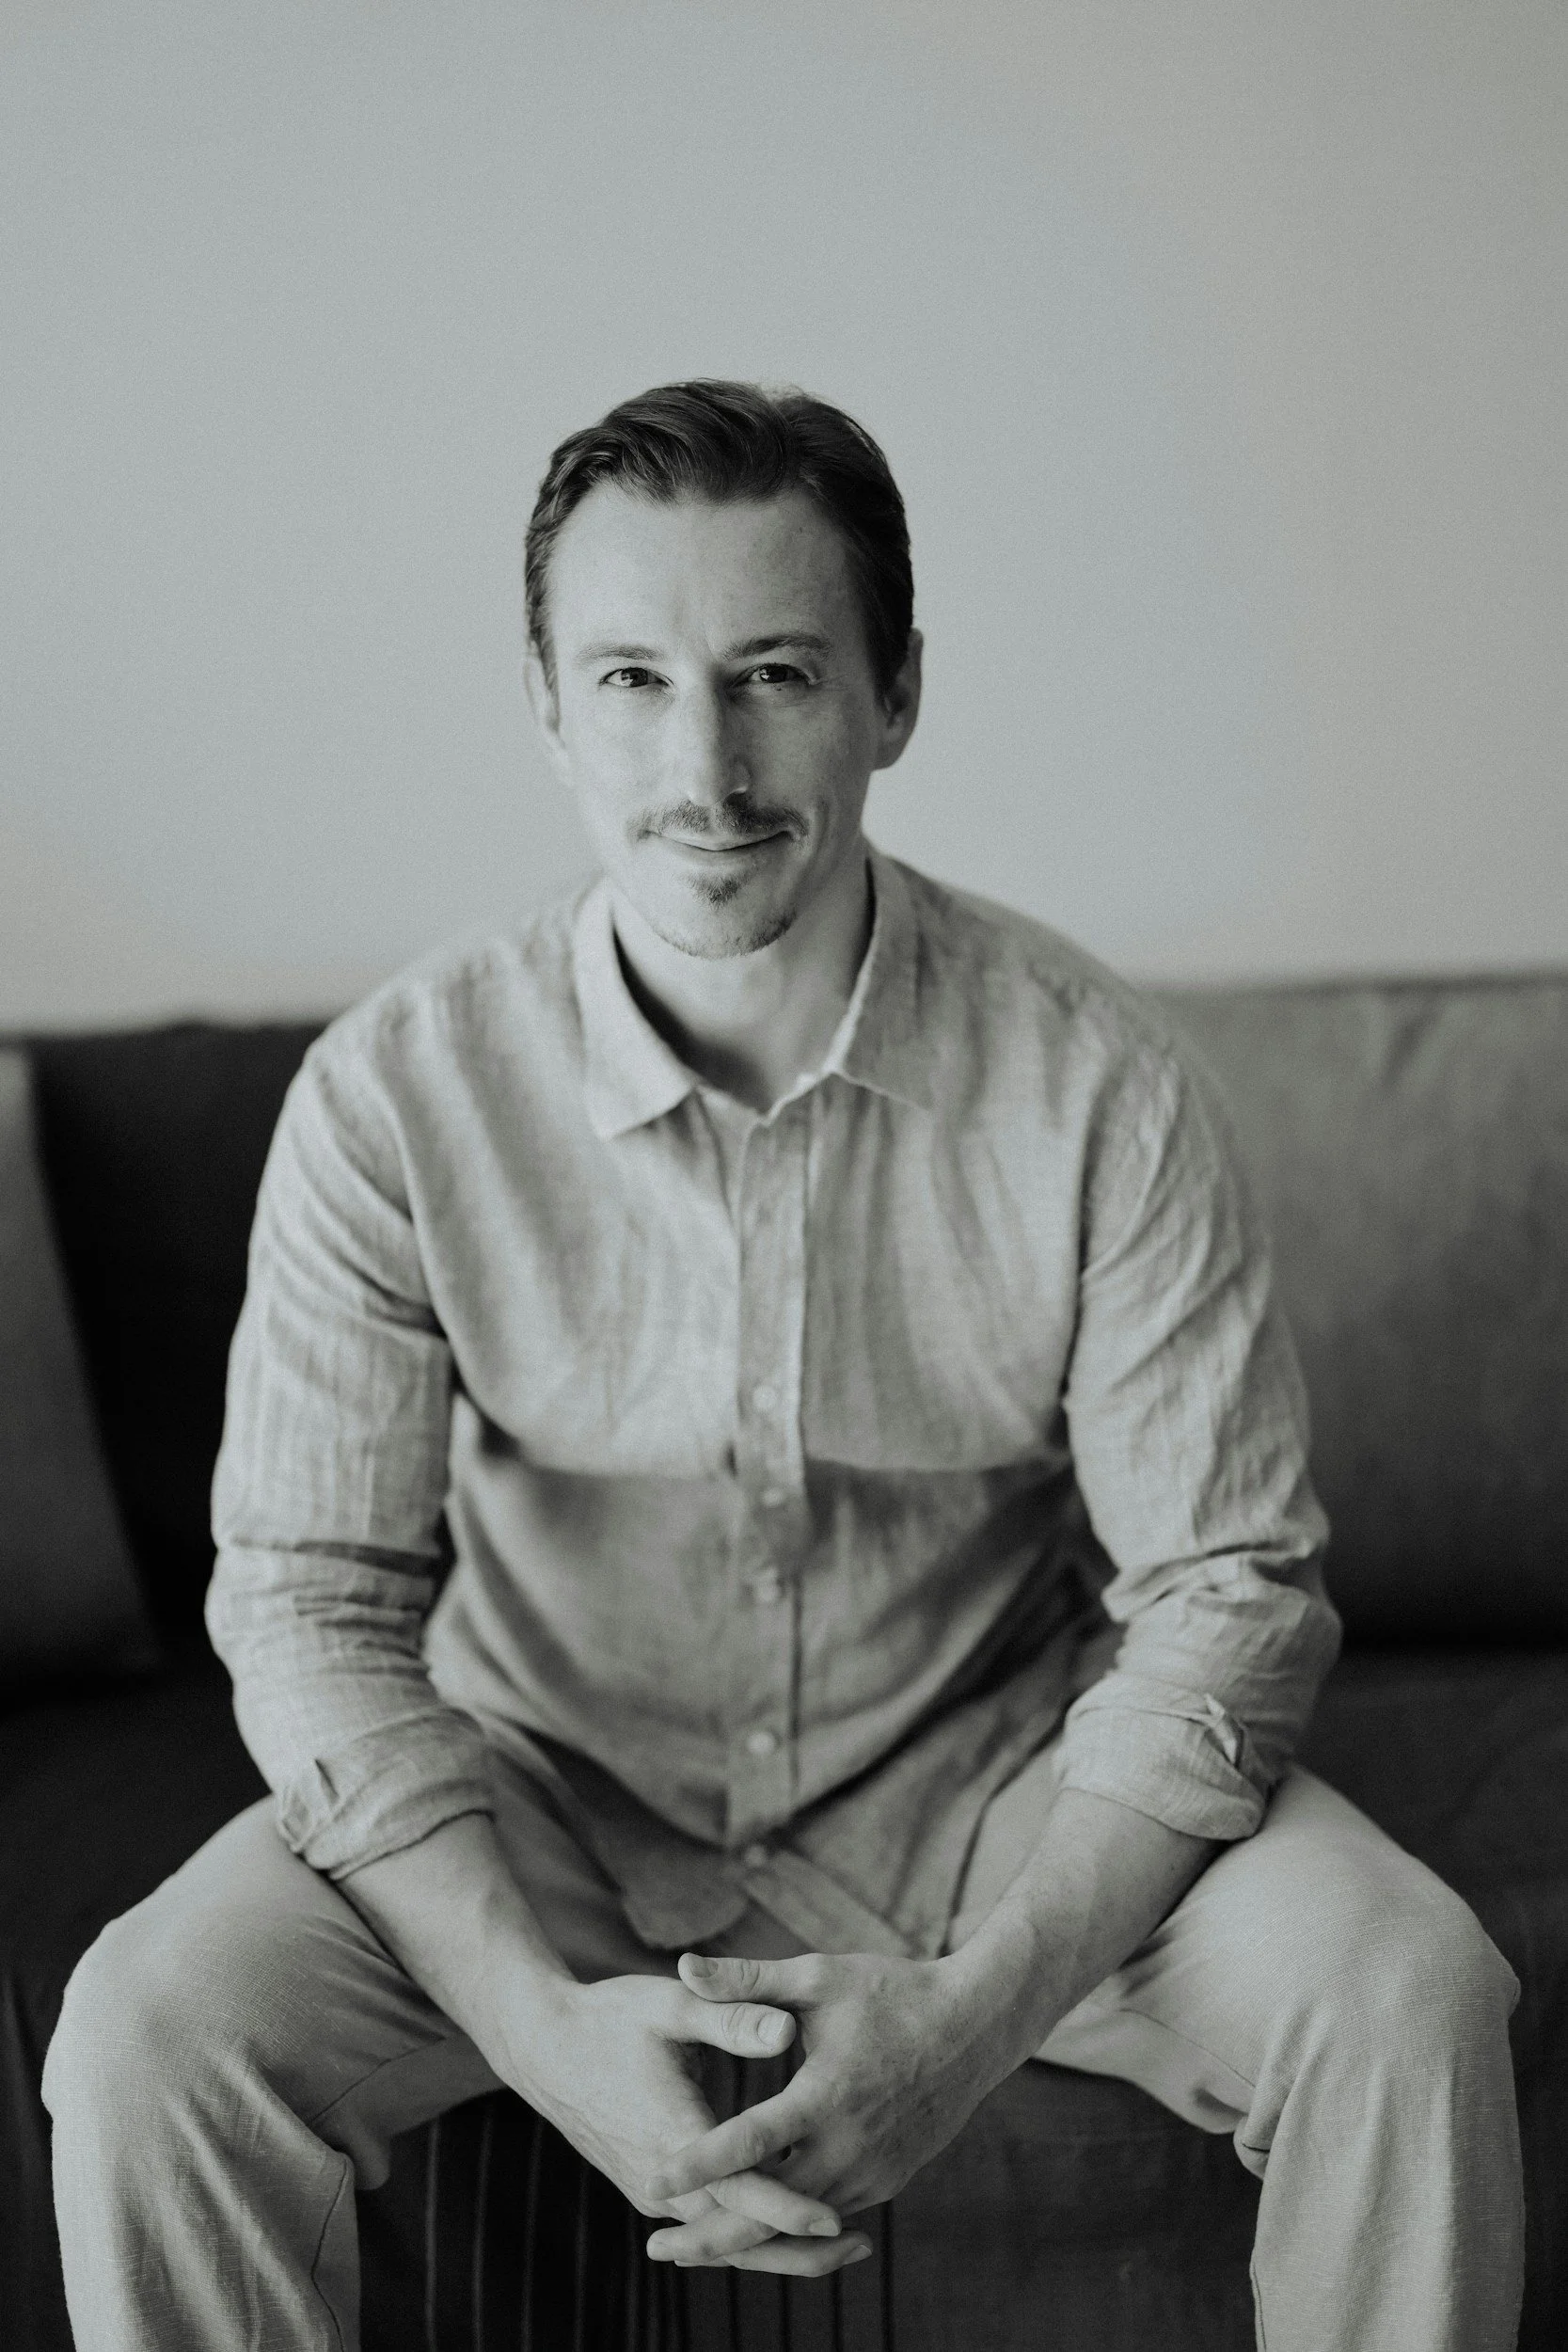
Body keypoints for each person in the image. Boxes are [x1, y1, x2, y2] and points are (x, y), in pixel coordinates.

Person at [45, 380, 1524, 2351]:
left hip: (1000, 1786)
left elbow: (1225, 1598)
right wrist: (533, 2030)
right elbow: (311, 1601)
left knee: (1411, 1989)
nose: (706, 765)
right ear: (548, 706)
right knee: (147, 2028)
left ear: (892, 695)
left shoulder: (1100, 1083)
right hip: (543, 1794)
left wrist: (978, 2005)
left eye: (773, 675)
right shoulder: (393, 1098)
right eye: (635, 678)